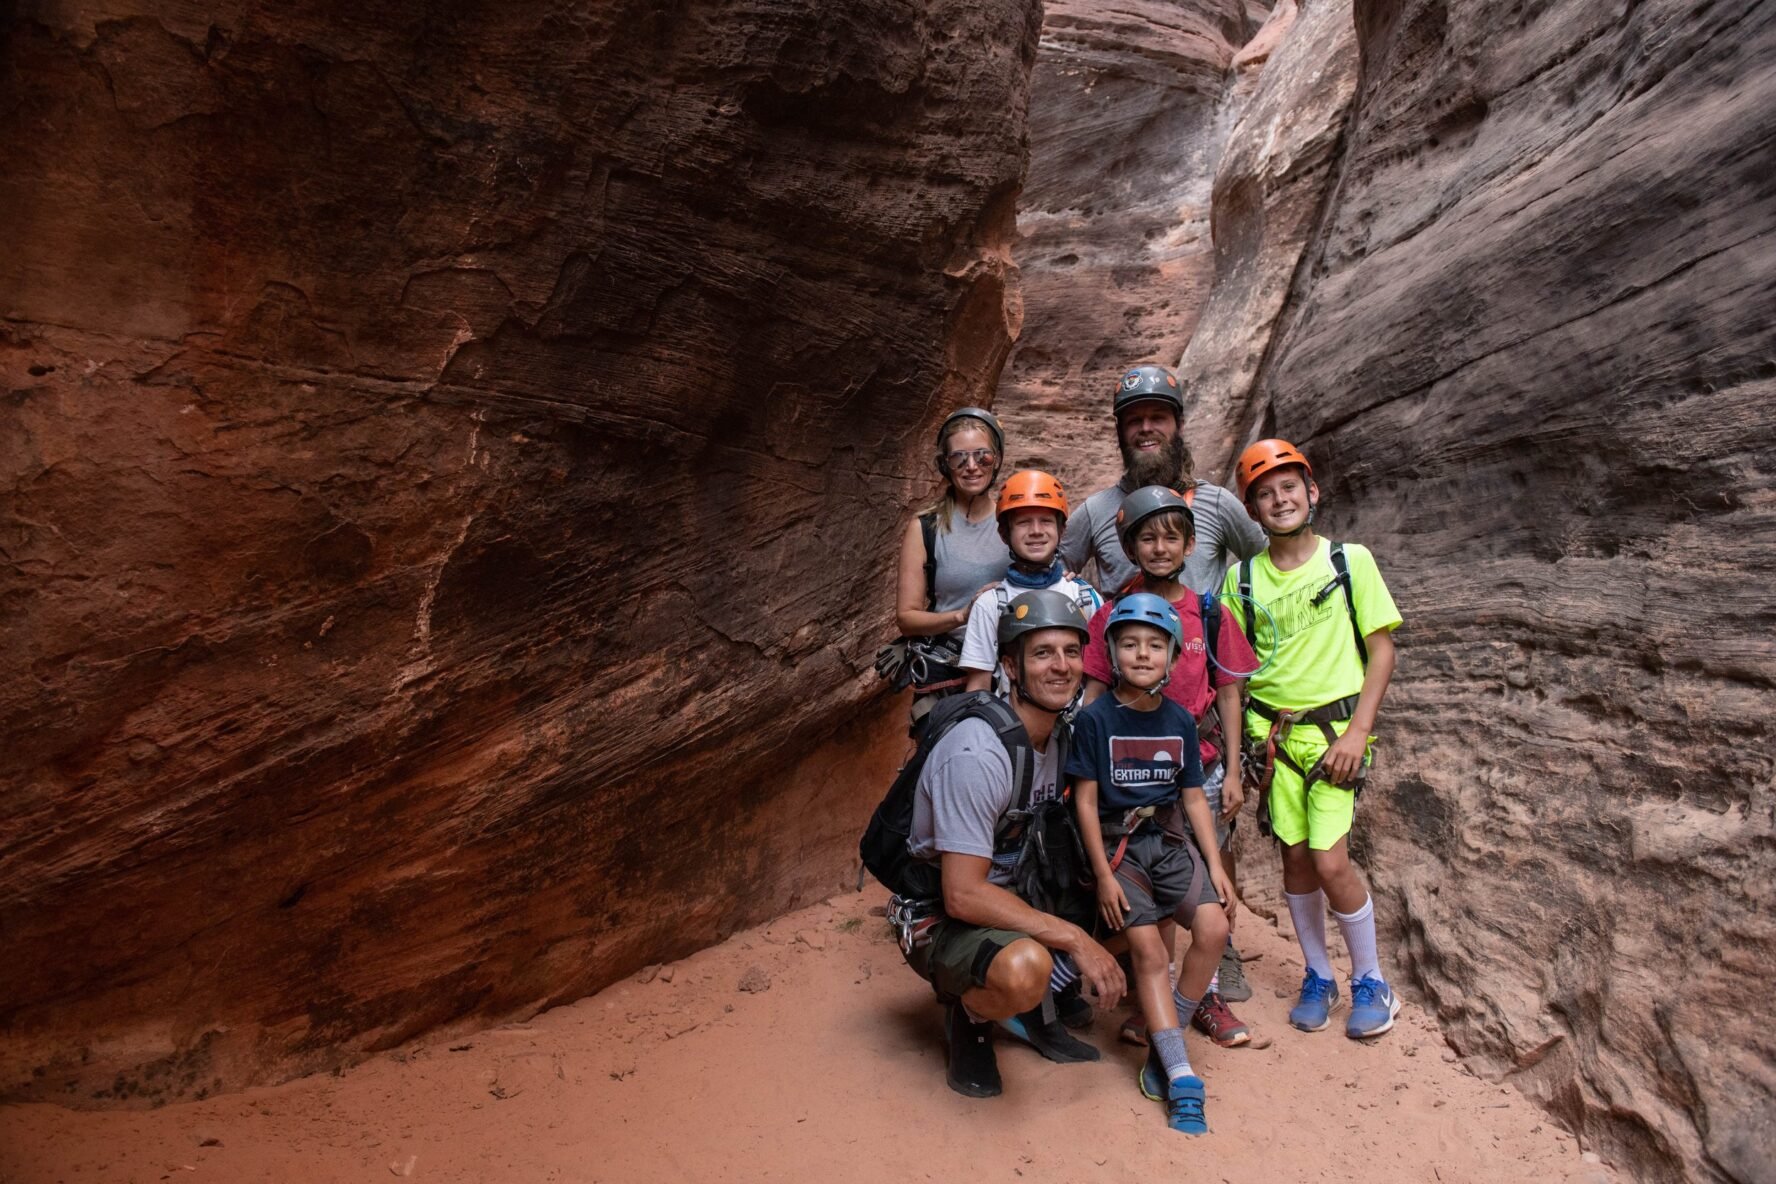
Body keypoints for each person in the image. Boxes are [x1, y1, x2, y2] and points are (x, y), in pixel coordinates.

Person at [897, 589, 1127, 1098]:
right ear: (1010, 666)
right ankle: (973, 1015)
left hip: (1017, 884)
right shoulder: (978, 753)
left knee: (1138, 895)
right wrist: (1074, 937)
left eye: (1071, 652)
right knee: (1026, 968)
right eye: (1042, 653)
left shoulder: (1061, 735)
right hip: (945, 911)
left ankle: (1045, 997)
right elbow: (963, 894)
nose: (1061, 667)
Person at [1221, 439, 1403, 1039]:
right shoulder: (1241, 580)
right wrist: (1237, 756)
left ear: (1312, 491)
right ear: (1252, 512)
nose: (1280, 500)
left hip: (1335, 738)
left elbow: (1381, 652)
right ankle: (1319, 975)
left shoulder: (1349, 562)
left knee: (1330, 860)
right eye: (1265, 494)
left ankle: (1371, 979)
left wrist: (1359, 732)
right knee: (1295, 858)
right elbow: (1233, 674)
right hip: (1273, 740)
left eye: (1289, 487)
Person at [1081, 486, 1258, 1044]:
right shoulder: (1114, 615)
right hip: (1131, 774)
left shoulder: (1208, 611)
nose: (1159, 548)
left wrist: (1232, 769)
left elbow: (1228, 692)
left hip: (1197, 767)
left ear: (1190, 544)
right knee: (1156, 884)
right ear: (1130, 546)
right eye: (1147, 538)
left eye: (1171, 537)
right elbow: (1094, 691)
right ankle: (1161, 1001)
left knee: (1202, 882)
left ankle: (1195, 998)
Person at [1068, 594, 1234, 1135]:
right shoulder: (1094, 719)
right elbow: (1085, 802)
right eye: (1131, 644)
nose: (1143, 654)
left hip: (1166, 842)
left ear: (1172, 657)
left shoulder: (1179, 720)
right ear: (1112, 652)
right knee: (1145, 947)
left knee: (1213, 926)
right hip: (1120, 849)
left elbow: (1191, 800)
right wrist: (1101, 876)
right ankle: (1181, 1074)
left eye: (1155, 645)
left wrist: (1217, 866)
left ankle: (1168, 1038)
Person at [1060, 364, 1265, 596]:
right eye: (1134, 421)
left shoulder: (1217, 503)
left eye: (1157, 417)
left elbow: (1269, 565)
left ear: (1180, 425)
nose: (1146, 428)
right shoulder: (1095, 511)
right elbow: (1051, 575)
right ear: (1120, 432)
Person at [894, 408, 1012, 732]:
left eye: (981, 456)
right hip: (947, 672)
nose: (971, 466)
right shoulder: (925, 528)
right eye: (959, 458)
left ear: (997, 459)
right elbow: (907, 617)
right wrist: (961, 616)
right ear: (944, 465)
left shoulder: (1015, 522)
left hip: (1010, 669)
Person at [959, 470, 1103, 694]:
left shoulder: (1084, 597)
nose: (1036, 531)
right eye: (1024, 523)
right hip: (1011, 723)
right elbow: (979, 687)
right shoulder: (990, 605)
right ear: (1005, 534)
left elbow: (1099, 677)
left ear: (1061, 530)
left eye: (1045, 521)